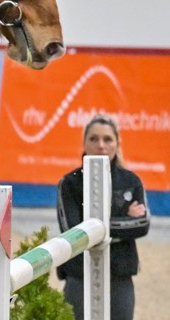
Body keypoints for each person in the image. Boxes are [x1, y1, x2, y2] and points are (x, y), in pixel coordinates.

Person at [56, 115, 149, 320]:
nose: (101, 145)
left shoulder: (131, 181)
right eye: (94, 138)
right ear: (84, 143)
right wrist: (123, 216)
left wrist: (95, 227)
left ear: (117, 143)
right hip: (79, 275)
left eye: (107, 139)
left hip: (120, 275)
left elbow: (142, 225)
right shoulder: (69, 183)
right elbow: (74, 232)